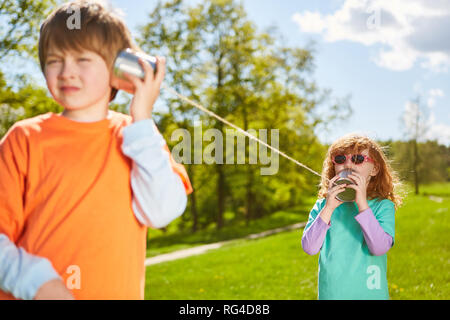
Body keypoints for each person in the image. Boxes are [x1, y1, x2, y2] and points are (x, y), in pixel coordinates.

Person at [0, 0, 192, 300]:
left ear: (120, 68)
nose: (66, 71)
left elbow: (162, 212)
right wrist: (36, 283)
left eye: (82, 59)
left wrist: (141, 118)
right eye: (54, 60)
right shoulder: (24, 138)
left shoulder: (140, 138)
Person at [301, 134, 402, 300]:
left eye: (357, 158)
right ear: (333, 168)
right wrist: (328, 208)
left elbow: (378, 248)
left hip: (370, 295)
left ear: (375, 169)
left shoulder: (383, 206)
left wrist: (362, 203)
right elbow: (310, 248)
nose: (348, 164)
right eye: (340, 159)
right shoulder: (323, 206)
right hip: (332, 295)